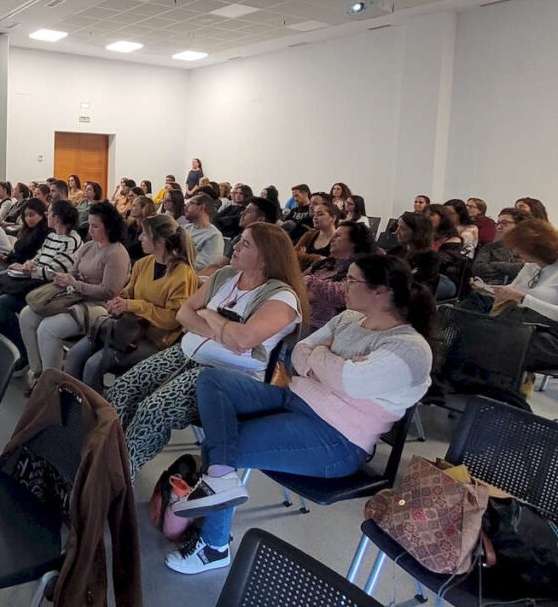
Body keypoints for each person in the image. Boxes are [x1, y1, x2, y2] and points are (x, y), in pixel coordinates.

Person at [166, 254, 433, 575]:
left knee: (223, 447)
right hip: (294, 399)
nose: (342, 286)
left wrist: (325, 360)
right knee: (212, 380)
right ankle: (219, 487)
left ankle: (213, 546)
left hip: (336, 440)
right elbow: (299, 353)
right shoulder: (347, 319)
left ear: (381, 292)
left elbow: (345, 378)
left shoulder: (410, 349)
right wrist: (330, 363)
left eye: (351, 281)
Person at [107, 222, 308, 479]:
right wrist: (223, 330)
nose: (234, 246)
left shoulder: (282, 298)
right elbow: (184, 313)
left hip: (225, 376)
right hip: (185, 353)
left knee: (153, 410)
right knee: (122, 390)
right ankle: (105, 457)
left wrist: (209, 316)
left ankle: (117, 482)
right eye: (239, 240)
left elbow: (243, 341)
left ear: (267, 257)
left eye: (245, 244)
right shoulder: (224, 276)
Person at [64, 215, 198, 392]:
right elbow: (129, 292)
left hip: (154, 338)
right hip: (126, 327)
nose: (140, 237)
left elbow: (173, 319)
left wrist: (134, 305)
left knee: (93, 366)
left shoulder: (182, 275)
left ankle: (94, 415)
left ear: (160, 242)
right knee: (74, 355)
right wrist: (119, 300)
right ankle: (69, 407)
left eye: (145, 235)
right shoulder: (143, 263)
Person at [19, 202, 130, 395]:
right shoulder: (88, 246)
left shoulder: (116, 253)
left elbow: (108, 292)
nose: (90, 229)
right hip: (75, 296)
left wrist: (75, 283)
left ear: (109, 227)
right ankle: (38, 370)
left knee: (48, 328)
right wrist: (67, 279)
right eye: (90, 225)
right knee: (27, 315)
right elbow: (74, 271)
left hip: (99, 306)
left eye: (95, 226)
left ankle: (51, 381)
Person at [0, 200, 81, 374]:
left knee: (2, 303)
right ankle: (4, 346)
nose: (46, 216)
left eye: (49, 213)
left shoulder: (71, 241)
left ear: (57, 218)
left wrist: (29, 271)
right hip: (33, 279)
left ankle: (24, 353)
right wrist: (29, 264)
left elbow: (55, 272)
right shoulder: (52, 236)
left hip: (48, 288)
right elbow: (39, 257)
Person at [479, 219, 558, 373]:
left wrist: (524, 299)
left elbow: (519, 295)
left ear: (537, 248)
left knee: (496, 343)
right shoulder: (531, 266)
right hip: (524, 326)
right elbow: (513, 290)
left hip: (551, 336)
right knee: (476, 330)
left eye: (520, 248)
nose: (516, 253)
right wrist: (490, 290)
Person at [303, 221, 374, 329]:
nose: (332, 239)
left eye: (338, 236)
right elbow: (298, 280)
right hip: (300, 316)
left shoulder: (363, 269)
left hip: (326, 326)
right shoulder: (324, 263)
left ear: (354, 241)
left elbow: (344, 293)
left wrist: (311, 282)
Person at [204, 197, 281, 275]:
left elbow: (220, 266)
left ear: (260, 220)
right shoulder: (240, 237)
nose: (241, 213)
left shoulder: (268, 246)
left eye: (248, 211)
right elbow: (218, 264)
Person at [471, 207, 530, 285]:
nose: (499, 227)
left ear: (520, 225)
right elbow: (478, 268)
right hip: (489, 289)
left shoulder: (530, 248)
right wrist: (509, 269)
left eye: (505, 223)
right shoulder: (490, 247)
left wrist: (495, 264)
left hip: (518, 292)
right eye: (498, 223)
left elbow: (525, 269)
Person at [387, 212, 440, 290]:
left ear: (417, 233)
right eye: (398, 227)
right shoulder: (397, 250)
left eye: (402, 229)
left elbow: (420, 286)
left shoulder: (430, 257)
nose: (397, 231)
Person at [183, 195, 224, 273]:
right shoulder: (185, 228)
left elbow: (203, 266)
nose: (185, 207)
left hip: (190, 277)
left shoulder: (213, 236)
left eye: (191, 203)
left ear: (202, 208)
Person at [294, 203, 339, 270]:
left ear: (333, 218)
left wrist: (303, 256)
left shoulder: (338, 239)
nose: (315, 217)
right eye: (314, 214)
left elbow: (330, 263)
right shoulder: (309, 235)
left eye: (320, 214)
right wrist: (316, 258)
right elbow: (293, 255)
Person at [125, 195, 156, 263]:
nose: (131, 208)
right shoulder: (131, 225)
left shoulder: (150, 228)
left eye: (134, 206)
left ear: (144, 208)